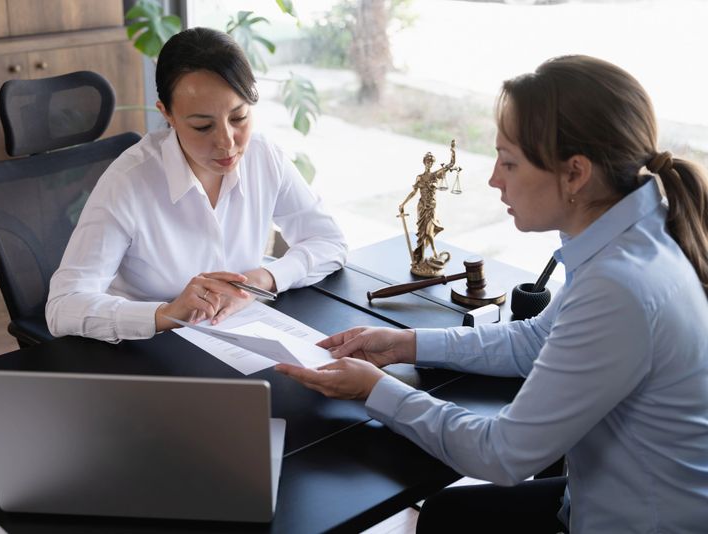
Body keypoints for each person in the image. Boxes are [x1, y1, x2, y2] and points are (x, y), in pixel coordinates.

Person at [277, 55, 708, 533]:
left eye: (509, 162)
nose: (493, 179)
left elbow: (502, 454)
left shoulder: (619, 286)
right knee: (445, 514)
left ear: (575, 174)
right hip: (596, 499)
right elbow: (534, 342)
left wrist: (376, 389)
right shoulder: (631, 241)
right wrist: (404, 344)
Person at [46, 28, 347, 342]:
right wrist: (166, 313)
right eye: (203, 126)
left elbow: (330, 243)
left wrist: (262, 279)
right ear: (168, 115)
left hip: (238, 334)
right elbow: (63, 307)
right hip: (150, 348)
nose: (226, 143)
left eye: (239, 117)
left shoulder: (263, 156)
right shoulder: (128, 182)